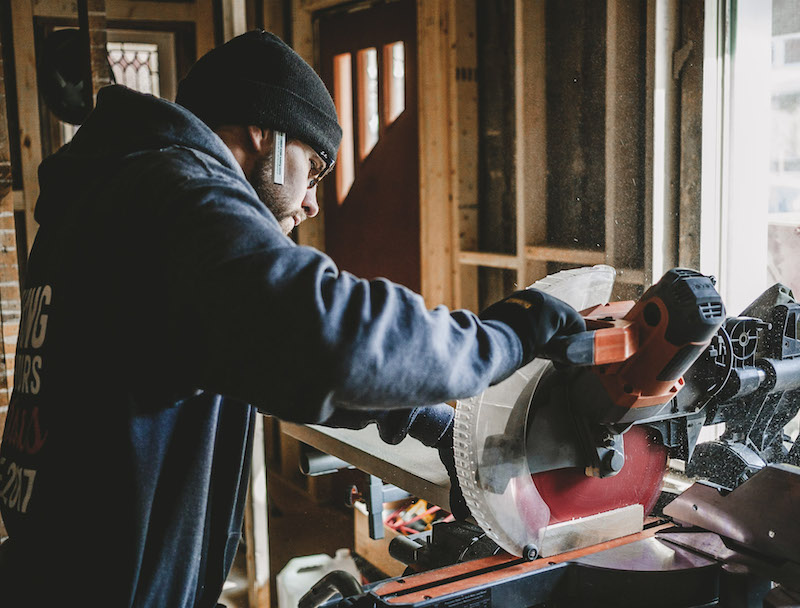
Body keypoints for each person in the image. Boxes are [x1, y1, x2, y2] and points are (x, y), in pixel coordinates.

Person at [0, 31, 584, 607]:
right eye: (315, 167)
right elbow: (326, 338)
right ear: (265, 132)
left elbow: (255, 347)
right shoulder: (179, 196)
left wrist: (434, 425)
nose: (310, 202)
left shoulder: (108, 195)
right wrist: (505, 336)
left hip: (56, 566)